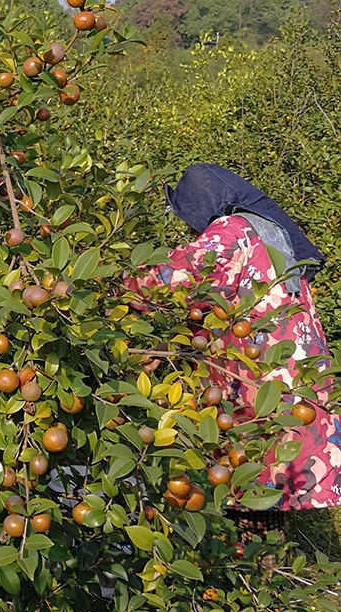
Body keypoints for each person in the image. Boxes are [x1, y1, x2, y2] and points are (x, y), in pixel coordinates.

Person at [128, 163, 341, 511]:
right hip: (295, 373)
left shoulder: (234, 230)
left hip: (265, 374)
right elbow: (230, 302)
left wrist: (111, 285)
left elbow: (182, 274)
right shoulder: (269, 230)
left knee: (253, 468)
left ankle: (255, 557)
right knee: (278, 468)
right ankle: (268, 553)